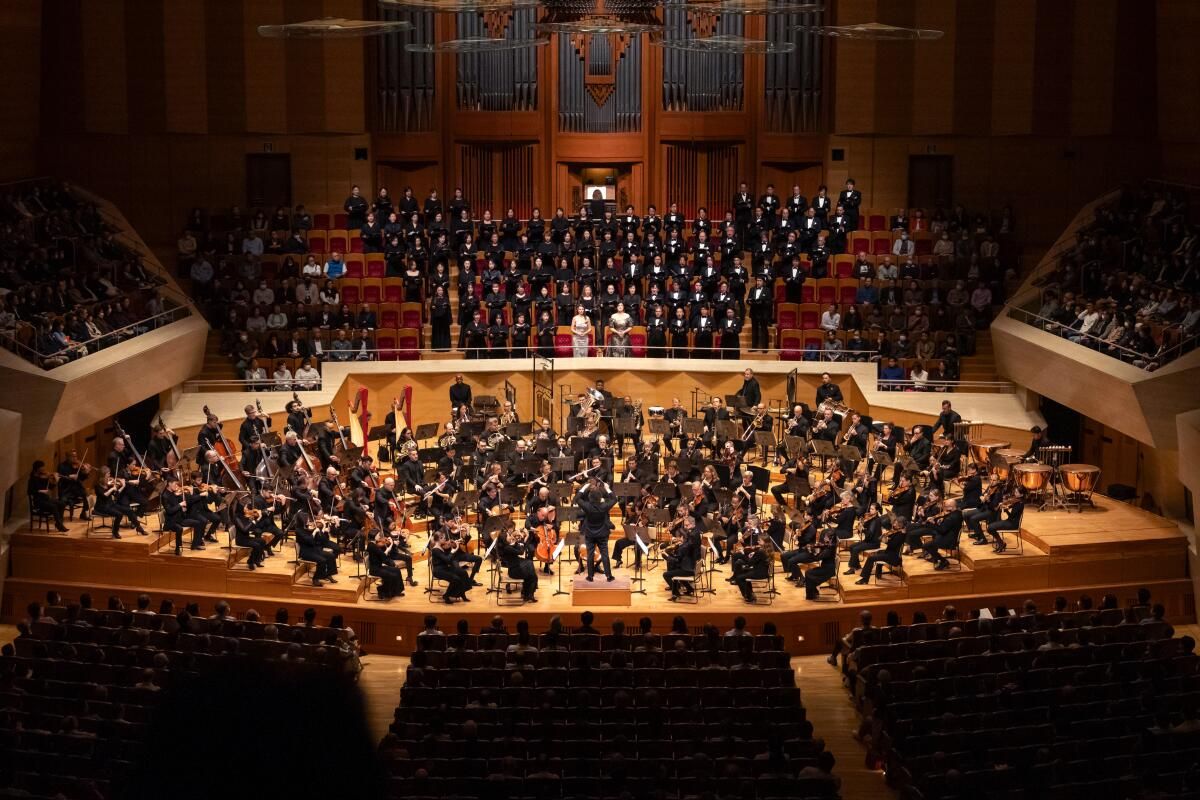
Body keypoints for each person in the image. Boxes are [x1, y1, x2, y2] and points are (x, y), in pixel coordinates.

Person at [576, 476, 616, 582]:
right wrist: (607, 488)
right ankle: (609, 576)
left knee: (590, 554)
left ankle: (590, 576)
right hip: (602, 534)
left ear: (590, 497)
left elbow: (577, 498)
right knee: (605, 554)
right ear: (600, 497)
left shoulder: (587, 506)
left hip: (590, 534)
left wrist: (584, 487)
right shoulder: (604, 506)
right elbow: (614, 499)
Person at [28, 461, 69, 532]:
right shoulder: (32, 479)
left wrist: (55, 481)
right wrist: (40, 491)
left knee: (62, 504)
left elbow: (50, 487)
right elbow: (29, 491)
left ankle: (59, 523)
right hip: (38, 501)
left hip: (46, 499)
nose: (44, 469)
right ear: (37, 468)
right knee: (54, 506)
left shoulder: (44, 477)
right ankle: (60, 525)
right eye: (42, 467)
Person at [367, 532, 406, 599]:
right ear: (374, 536)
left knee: (396, 570)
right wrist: (388, 549)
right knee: (391, 575)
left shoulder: (373, 544)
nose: (379, 536)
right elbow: (382, 555)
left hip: (379, 567)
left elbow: (381, 555)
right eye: (378, 535)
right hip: (375, 569)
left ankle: (397, 591)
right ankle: (381, 590)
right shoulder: (372, 546)